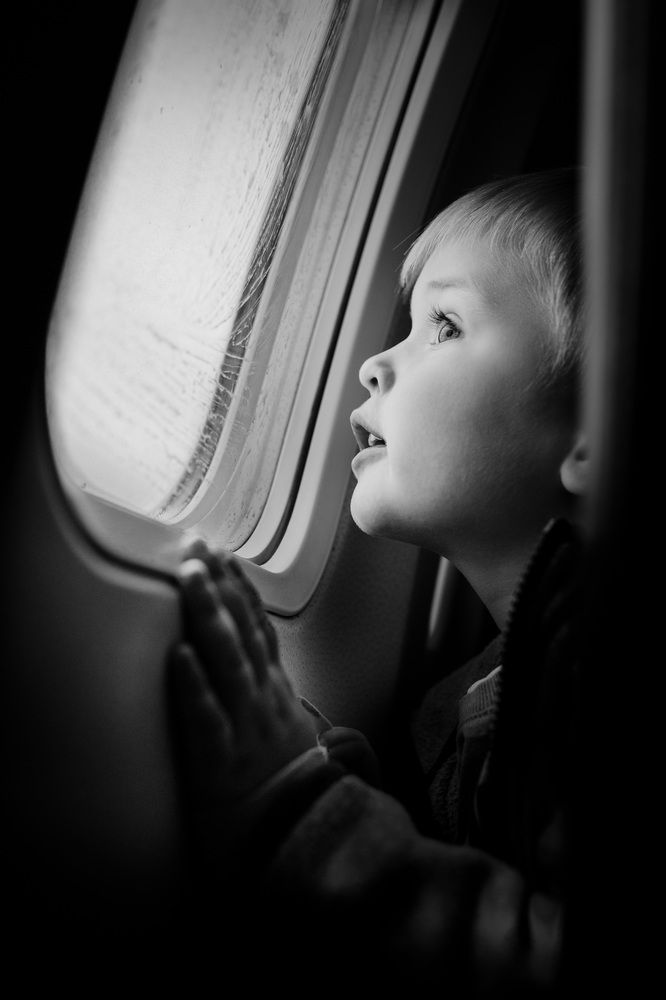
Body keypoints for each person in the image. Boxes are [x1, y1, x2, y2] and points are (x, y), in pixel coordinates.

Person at [168, 167, 586, 995]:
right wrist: (328, 763)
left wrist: (299, 808)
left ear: (594, 433)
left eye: (443, 325)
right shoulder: (471, 700)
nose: (372, 366)